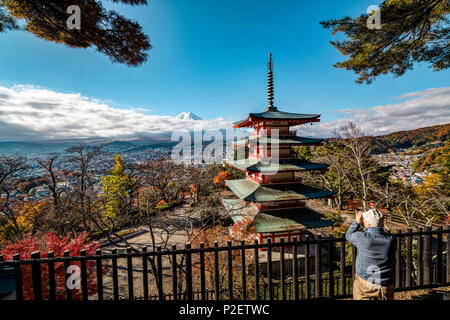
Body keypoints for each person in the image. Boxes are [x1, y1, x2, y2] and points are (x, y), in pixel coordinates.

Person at [345, 204, 396, 300]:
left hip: (366, 282)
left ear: (368, 224)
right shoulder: (392, 239)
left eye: (364, 220)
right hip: (386, 283)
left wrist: (357, 221)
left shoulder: (362, 238)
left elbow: (348, 235)